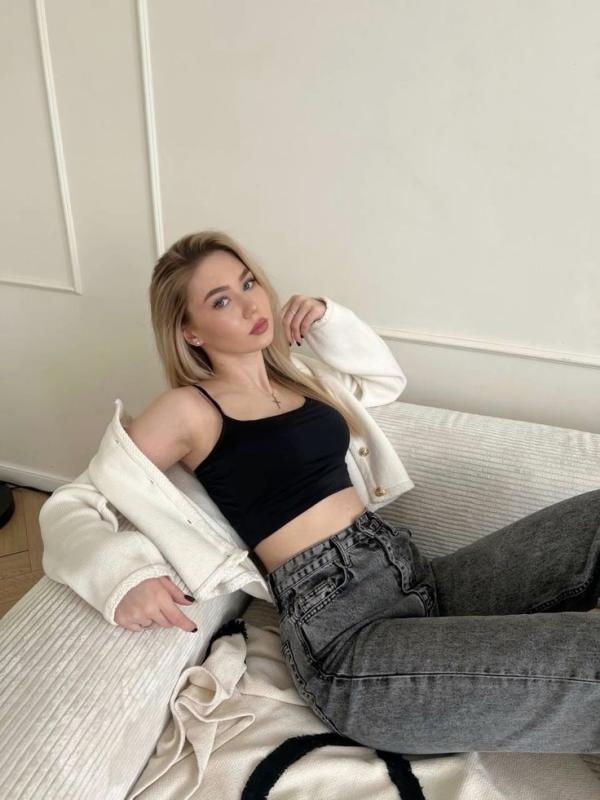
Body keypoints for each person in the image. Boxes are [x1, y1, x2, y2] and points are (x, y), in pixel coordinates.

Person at [47, 229, 600, 753]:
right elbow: (77, 500)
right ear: (190, 331)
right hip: (346, 639)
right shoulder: (188, 409)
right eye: (221, 301)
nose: (250, 304)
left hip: (413, 578)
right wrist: (123, 575)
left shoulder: (301, 378)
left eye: (248, 282)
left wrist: (328, 321)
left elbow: (384, 381)